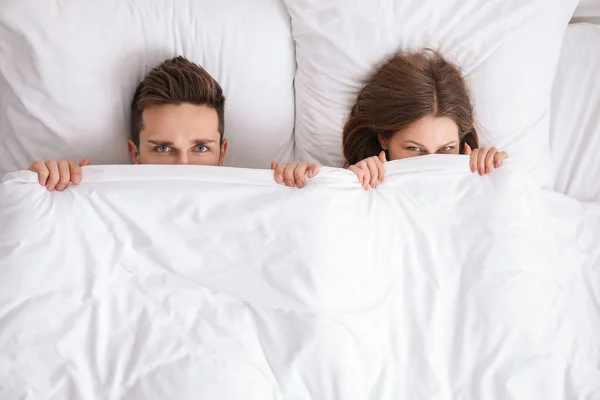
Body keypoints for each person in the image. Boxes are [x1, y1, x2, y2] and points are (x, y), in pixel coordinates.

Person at [27, 56, 318, 191]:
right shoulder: (97, 200)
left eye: (201, 147)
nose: (183, 165)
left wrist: (301, 189)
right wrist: (44, 186)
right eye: (164, 148)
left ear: (222, 153)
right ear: (135, 154)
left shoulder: (256, 201)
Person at [276, 49, 508, 190]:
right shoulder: (355, 180)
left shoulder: (481, 177)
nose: (430, 164)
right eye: (415, 149)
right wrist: (303, 184)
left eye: (446, 149)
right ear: (383, 140)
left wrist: (493, 178)